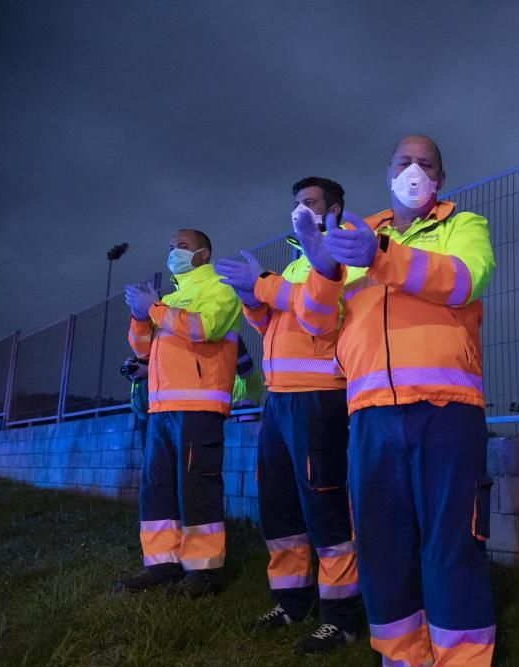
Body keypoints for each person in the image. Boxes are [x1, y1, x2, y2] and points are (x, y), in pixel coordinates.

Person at [291, 135, 497, 666]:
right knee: (382, 547)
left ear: (441, 179)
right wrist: (322, 269)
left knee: (453, 547)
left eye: (425, 164)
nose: (414, 171)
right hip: (371, 416)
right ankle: (402, 657)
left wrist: (381, 256)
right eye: (404, 162)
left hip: (446, 409)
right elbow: (317, 324)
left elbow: (465, 281)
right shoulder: (356, 236)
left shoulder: (463, 227)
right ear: (387, 171)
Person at [214, 177, 363, 655]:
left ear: (333, 209)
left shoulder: (345, 255)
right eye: (296, 202)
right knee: (280, 507)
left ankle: (341, 617)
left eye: (311, 202)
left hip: (320, 398)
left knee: (325, 507)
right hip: (279, 400)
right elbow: (273, 322)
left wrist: (265, 286)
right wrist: (251, 298)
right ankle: (291, 602)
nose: (300, 209)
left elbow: (319, 311)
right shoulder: (299, 263)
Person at [116, 228, 242, 597]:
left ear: (203, 253)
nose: (174, 252)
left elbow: (206, 327)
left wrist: (153, 308)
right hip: (162, 407)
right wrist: (140, 317)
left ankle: (204, 573)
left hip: (199, 405)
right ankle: (162, 564)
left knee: (196, 487)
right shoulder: (172, 297)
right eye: (171, 247)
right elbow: (142, 347)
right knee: (157, 490)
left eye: (183, 247)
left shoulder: (219, 286)